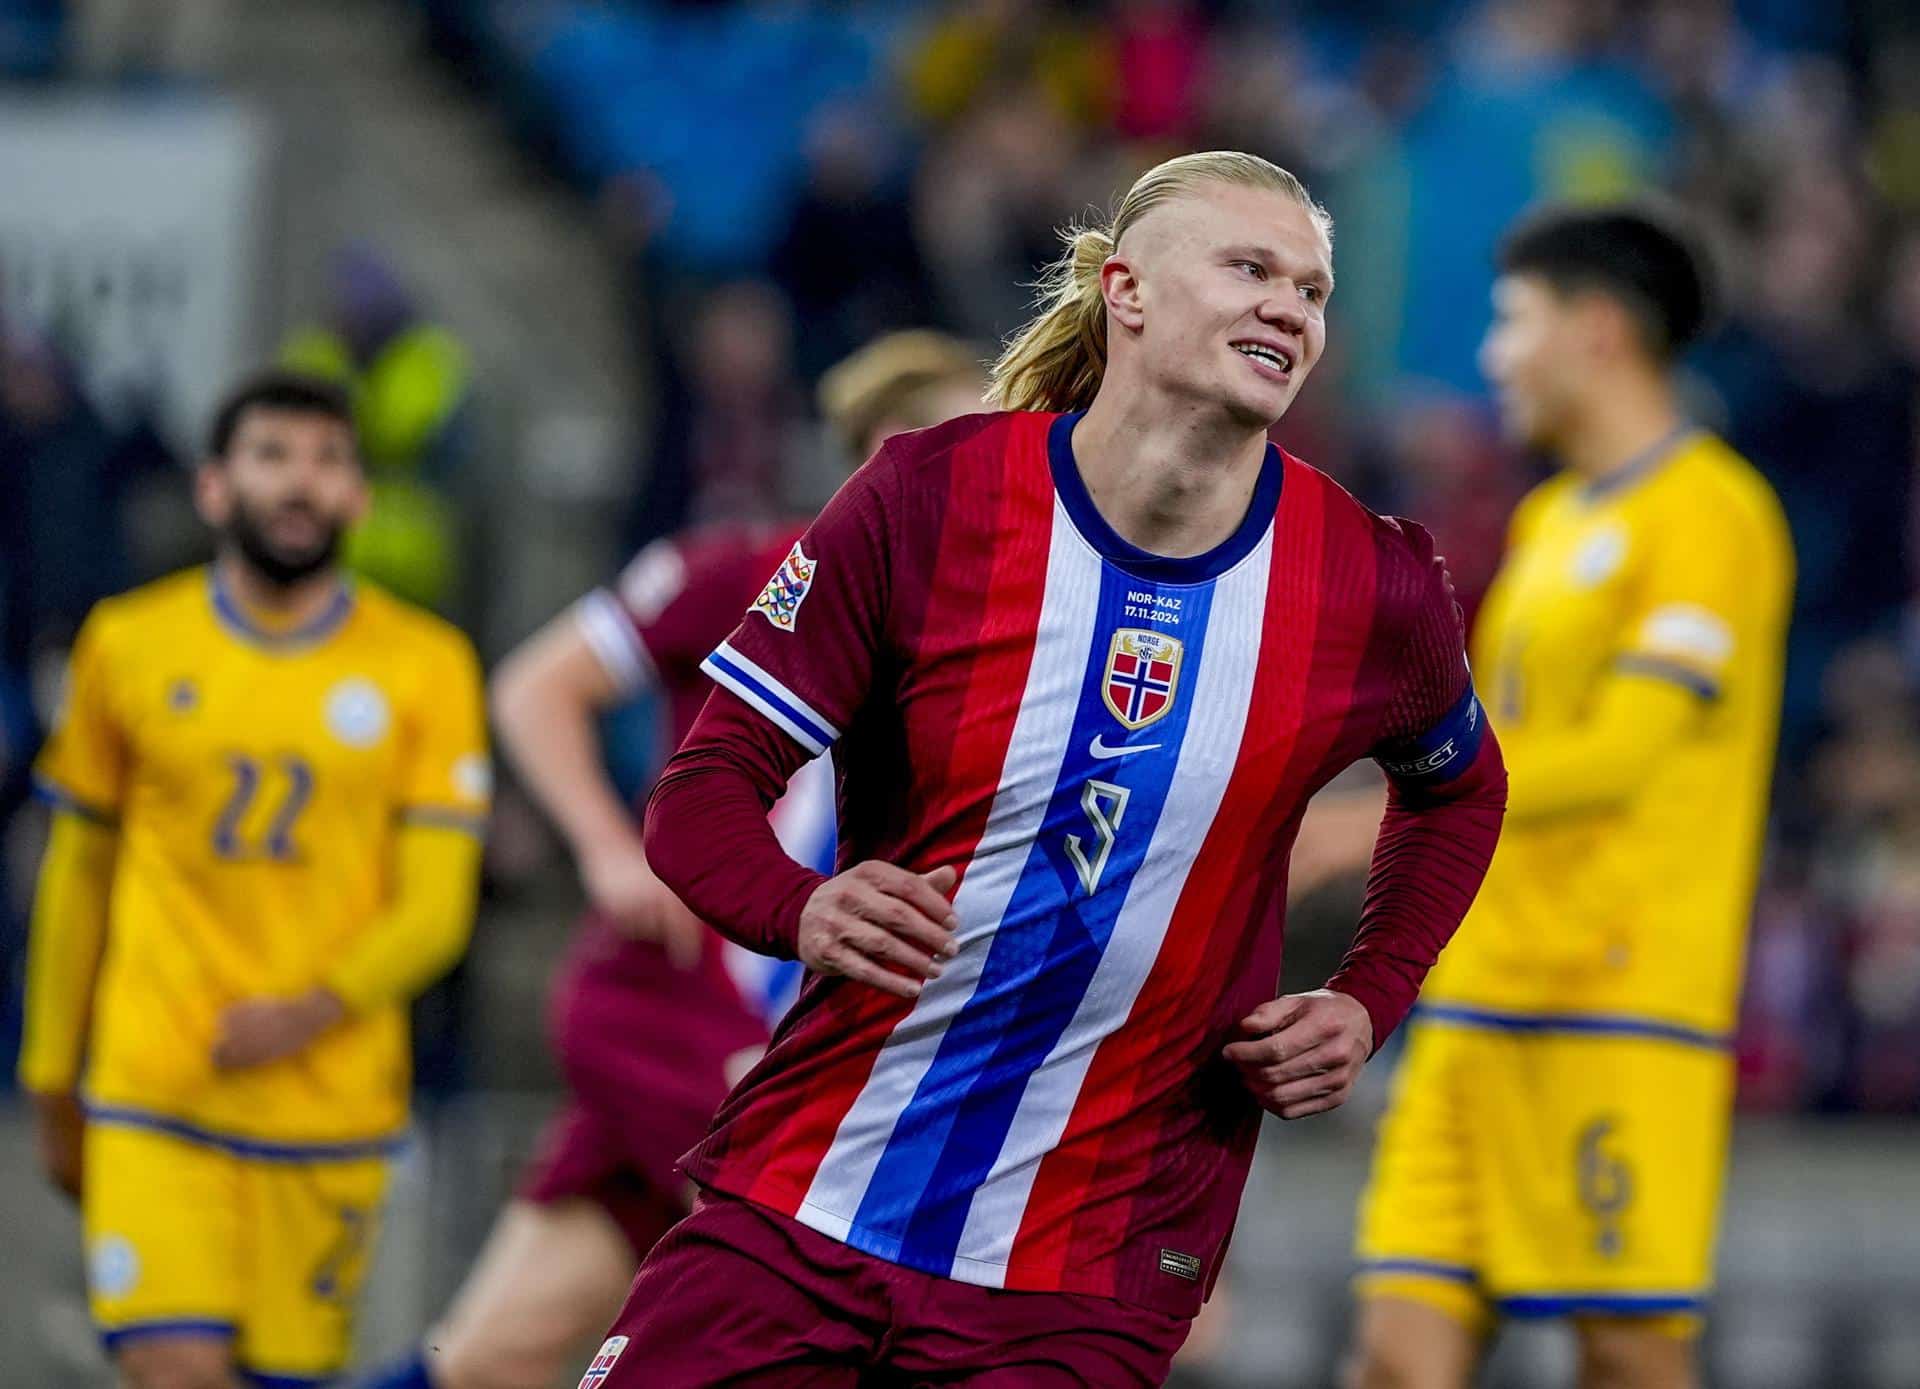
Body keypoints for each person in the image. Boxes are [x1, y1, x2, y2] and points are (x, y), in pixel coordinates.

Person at [581, 150, 1508, 1388]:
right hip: (811, 1192)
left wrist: (1368, 993)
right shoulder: (931, 495)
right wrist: (800, 906)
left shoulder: (1369, 582)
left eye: (1312, 288)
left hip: (1090, 1269)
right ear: (1125, 291)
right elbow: (703, 794)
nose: (1291, 306)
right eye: (1249, 268)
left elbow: (1460, 787)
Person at [354, 331, 986, 1389]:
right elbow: (533, 687)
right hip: (674, 1012)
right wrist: (610, 848)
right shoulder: (746, 574)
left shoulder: (985, 645)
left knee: (492, 1356)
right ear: (884, 449)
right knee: (813, 1298)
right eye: (969, 446)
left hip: (786, 1039)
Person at [1348, 204, 1793, 1389]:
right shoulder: (1547, 523)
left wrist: (1374, 812)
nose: (1493, 356)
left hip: (1619, 1003)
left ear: (1596, 330)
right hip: (1478, 998)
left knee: (1627, 1356)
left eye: (1512, 322)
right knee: (1396, 1351)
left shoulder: (1714, 515)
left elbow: (1622, 752)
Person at [18, 370, 490, 1389]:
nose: (301, 485)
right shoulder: (129, 645)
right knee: (176, 1368)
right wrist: (52, 1068)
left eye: (327, 462)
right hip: (154, 1091)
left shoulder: (427, 666)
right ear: (215, 487)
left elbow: (436, 907)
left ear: (358, 495)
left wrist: (313, 1008)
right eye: (273, 456)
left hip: (327, 1113)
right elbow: (78, 874)